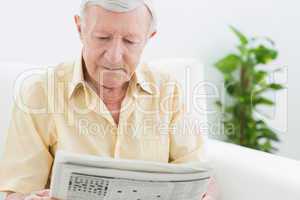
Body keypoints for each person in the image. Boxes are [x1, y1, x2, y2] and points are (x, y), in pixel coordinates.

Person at [0, 0, 217, 199]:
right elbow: (17, 192)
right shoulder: (40, 93)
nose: (114, 56)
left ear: (149, 38)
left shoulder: (168, 92)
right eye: (102, 38)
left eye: (130, 41)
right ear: (80, 28)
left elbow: (197, 178)